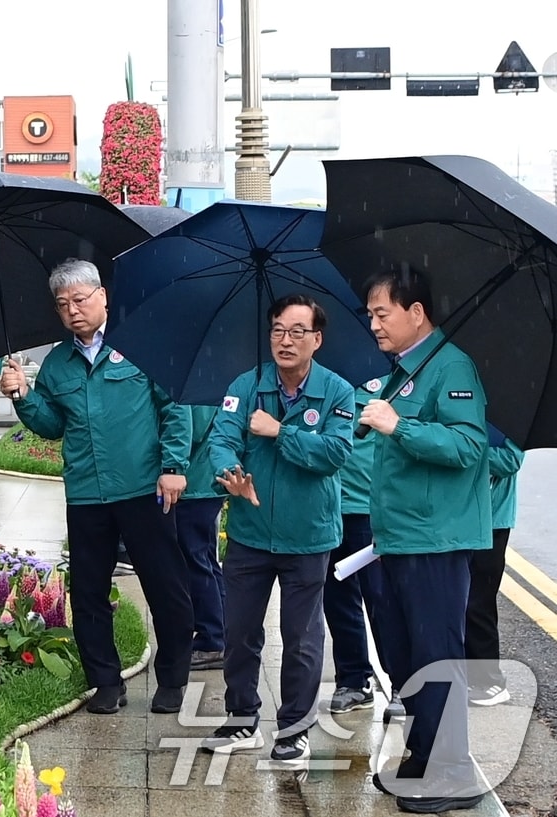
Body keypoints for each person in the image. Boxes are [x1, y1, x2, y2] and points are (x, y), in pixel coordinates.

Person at [0, 257, 195, 716]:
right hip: (87, 493)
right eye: (62, 304)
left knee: (165, 586)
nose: (72, 310)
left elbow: (174, 407)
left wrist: (173, 466)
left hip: (143, 488)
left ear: (102, 296)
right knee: (88, 592)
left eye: (80, 299)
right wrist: (23, 395)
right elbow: (52, 425)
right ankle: (105, 682)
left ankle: (172, 679)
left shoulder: (141, 346)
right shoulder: (57, 364)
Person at [198, 294, 353, 768]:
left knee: (302, 638)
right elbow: (222, 439)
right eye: (278, 330)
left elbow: (334, 454)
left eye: (298, 331)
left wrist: (280, 432)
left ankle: (294, 730)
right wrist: (230, 475)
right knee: (240, 630)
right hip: (249, 533)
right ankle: (241, 718)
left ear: (317, 339)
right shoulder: (247, 385)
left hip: (308, 535)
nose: (286, 340)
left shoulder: (337, 391)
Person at [360, 267, 491, 814]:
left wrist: (400, 426)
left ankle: (453, 772)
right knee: (405, 653)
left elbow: (468, 446)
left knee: (437, 656)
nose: (373, 324)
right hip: (400, 537)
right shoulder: (406, 369)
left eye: (382, 313)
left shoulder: (451, 366)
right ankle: (423, 755)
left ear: (416, 313)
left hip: (435, 540)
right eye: (369, 314)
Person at [323, 379, 404, 721]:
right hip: (326, 506)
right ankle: (354, 680)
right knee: (336, 600)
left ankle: (403, 682)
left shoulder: (392, 383)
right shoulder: (319, 382)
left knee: (383, 600)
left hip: (370, 509)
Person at [466, 427, 524, 706]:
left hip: (492, 521)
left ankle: (489, 681)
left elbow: (510, 461)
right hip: (457, 518)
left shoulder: (511, 417)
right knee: (456, 601)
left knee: (478, 603)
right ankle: (465, 675)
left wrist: (463, 449)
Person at [179, 404, 228, 671]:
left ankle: (211, 640)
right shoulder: (215, 383)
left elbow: (193, 431)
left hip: (196, 482)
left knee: (195, 561)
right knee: (206, 560)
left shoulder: (198, 390)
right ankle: (222, 634)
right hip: (208, 480)